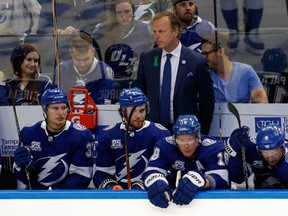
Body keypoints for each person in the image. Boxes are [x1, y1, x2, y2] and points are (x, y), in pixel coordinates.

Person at [136, 11, 214, 135]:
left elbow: (207, 102)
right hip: (153, 130)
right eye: (155, 31)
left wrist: (201, 132)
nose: (156, 36)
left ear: (175, 32)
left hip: (186, 132)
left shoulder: (196, 61)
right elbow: (139, 94)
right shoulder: (147, 59)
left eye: (161, 31)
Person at [13, 88, 95, 189]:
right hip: (35, 196)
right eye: (55, 108)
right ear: (44, 109)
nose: (61, 113)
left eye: (64, 108)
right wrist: (20, 166)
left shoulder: (81, 135)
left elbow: (81, 177)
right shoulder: (28, 133)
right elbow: (23, 177)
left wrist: (51, 193)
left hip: (66, 198)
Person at [142, 114, 230, 208]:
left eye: (190, 139)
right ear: (175, 139)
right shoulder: (165, 146)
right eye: (181, 139)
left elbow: (223, 180)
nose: (185, 145)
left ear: (198, 137)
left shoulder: (213, 148)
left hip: (214, 205)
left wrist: (203, 180)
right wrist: (155, 180)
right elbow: (152, 170)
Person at [93, 87, 170, 190]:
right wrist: (110, 186)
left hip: (149, 196)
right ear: (122, 112)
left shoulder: (160, 134)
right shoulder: (108, 135)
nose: (139, 116)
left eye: (142, 110)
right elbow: (101, 173)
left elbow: (167, 172)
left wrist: (144, 185)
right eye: (133, 111)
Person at [94, 0, 154, 80]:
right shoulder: (102, 30)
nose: (124, 16)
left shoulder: (144, 30)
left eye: (127, 11)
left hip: (137, 80)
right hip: (109, 82)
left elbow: (153, 57)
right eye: (119, 13)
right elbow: (95, 59)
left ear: (133, 11)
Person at [201, 33, 268, 103]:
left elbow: (262, 102)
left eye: (206, 54)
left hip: (242, 113)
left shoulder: (246, 71)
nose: (204, 58)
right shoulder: (206, 76)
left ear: (220, 51)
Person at [54, 35, 115, 104]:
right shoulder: (62, 69)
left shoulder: (104, 71)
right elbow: (59, 102)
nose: (82, 64)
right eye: (77, 59)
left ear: (93, 52)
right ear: (71, 53)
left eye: (86, 59)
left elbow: (103, 106)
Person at [225, 123, 288, 189]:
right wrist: (234, 154)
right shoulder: (250, 147)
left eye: (274, 153)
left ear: (282, 148)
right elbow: (237, 178)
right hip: (260, 196)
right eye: (265, 153)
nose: (270, 158)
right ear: (258, 150)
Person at [37, 0, 105, 34]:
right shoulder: (51, 1)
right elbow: (42, 28)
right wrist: (61, 32)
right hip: (64, 45)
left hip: (92, 43)